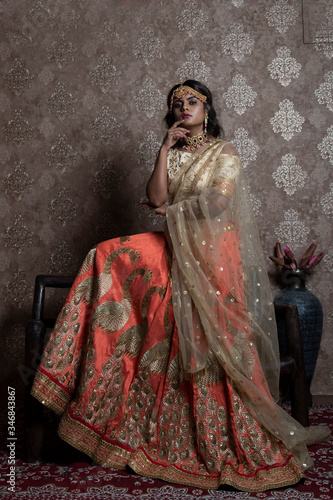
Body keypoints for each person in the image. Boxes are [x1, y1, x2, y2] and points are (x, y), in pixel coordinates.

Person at [31, 80, 330, 491]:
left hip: (212, 254)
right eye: (176, 104)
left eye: (192, 101)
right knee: (106, 253)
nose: (183, 107)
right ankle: (87, 369)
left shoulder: (223, 153)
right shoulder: (173, 154)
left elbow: (218, 203)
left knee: (201, 327)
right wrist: (163, 151)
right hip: (175, 244)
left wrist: (172, 209)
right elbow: (154, 199)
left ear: (207, 110)